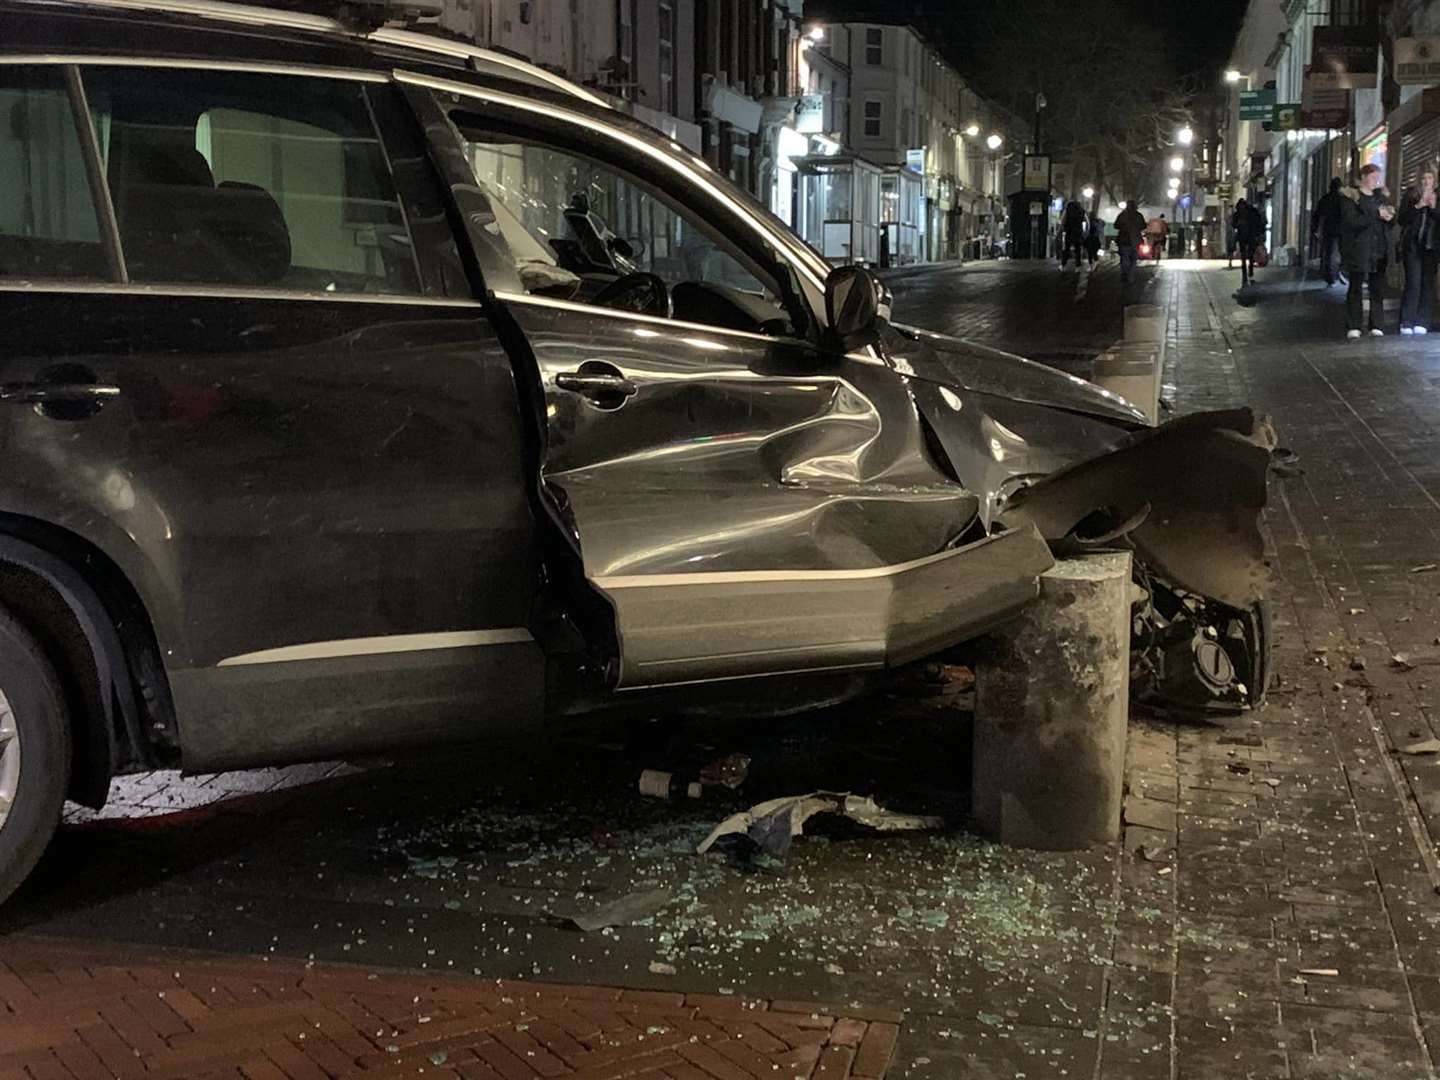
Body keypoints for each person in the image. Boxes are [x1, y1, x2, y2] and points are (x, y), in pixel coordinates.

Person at [1340, 163, 1397, 339]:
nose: (1376, 181)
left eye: (1377, 177)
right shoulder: (1352, 198)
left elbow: (1390, 221)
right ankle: (1354, 324)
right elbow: (1351, 222)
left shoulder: (1381, 198)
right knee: (1355, 287)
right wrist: (1375, 215)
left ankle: (1377, 324)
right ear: (1363, 177)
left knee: (1377, 288)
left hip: (1379, 249)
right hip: (1359, 249)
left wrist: (1389, 217)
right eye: (1373, 177)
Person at [1399, 167, 1439, 334]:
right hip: (1413, 245)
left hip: (1431, 246)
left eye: (1429, 178)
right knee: (1413, 283)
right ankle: (1407, 321)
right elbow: (1402, 219)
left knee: (1427, 283)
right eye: (1423, 178)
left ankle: (1423, 321)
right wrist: (1418, 206)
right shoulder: (1410, 195)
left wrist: (1433, 207)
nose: (1426, 181)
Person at [1311, 177, 1347, 286]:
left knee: (1329, 254)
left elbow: (1317, 215)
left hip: (1329, 229)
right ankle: (1338, 273)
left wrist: (1315, 229)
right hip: (1342, 230)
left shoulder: (1325, 199)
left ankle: (1330, 277)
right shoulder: (1342, 199)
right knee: (1342, 253)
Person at [1234, 199, 1264, 287]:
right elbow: (1234, 223)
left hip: (1249, 235)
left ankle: (1248, 270)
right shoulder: (1239, 214)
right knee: (1245, 254)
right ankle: (1246, 271)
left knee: (1249, 254)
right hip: (1245, 236)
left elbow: (1257, 223)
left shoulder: (1249, 213)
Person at [1115, 200, 1146, 285]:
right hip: (1136, 240)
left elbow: (1116, 225)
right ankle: (1131, 277)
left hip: (1124, 240)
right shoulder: (1139, 216)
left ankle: (1125, 272)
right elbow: (1143, 226)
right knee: (1133, 260)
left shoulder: (1122, 215)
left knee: (1125, 257)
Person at [1060, 201, 1087, 268]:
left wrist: (1062, 229)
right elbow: (1086, 221)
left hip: (1069, 232)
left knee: (1066, 248)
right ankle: (1078, 266)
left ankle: (1063, 265)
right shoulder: (1082, 211)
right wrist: (1084, 231)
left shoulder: (1067, 211)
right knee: (1078, 249)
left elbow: (1063, 221)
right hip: (1078, 232)